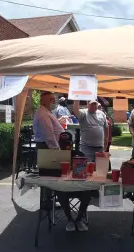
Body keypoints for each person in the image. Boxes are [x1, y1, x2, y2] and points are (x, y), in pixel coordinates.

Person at [33, 92, 91, 232]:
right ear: (45, 100)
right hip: (51, 150)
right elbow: (49, 136)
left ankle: (68, 214)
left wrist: (60, 122)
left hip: (56, 148)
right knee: (57, 181)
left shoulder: (46, 112)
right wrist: (60, 154)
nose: (54, 100)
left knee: (62, 179)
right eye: (51, 98)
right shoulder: (43, 114)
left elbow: (52, 129)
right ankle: (58, 210)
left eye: (54, 98)